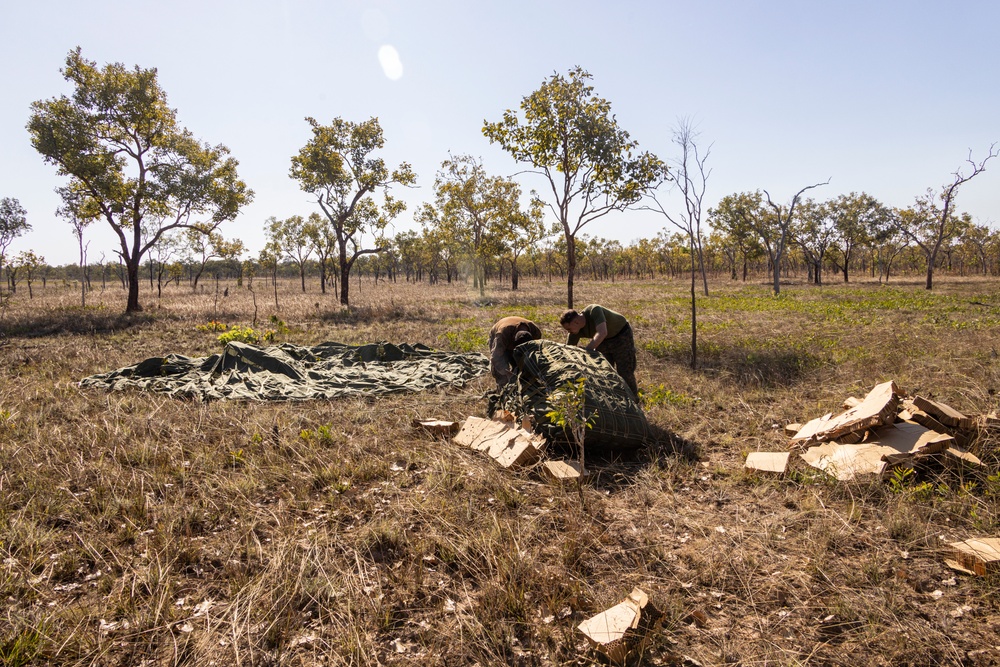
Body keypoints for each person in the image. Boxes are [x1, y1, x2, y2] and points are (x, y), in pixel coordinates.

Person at [560, 304, 638, 397]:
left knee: (625, 371)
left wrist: (587, 350)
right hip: (603, 341)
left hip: (621, 336)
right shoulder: (575, 332)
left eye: (568, 328)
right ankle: (613, 398)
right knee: (604, 372)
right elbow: (569, 351)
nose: (568, 332)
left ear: (576, 322)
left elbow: (602, 332)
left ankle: (633, 399)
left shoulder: (594, 310)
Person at [488, 316, 542, 389]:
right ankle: (502, 389)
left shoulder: (535, 332)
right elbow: (496, 357)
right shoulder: (502, 335)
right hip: (499, 334)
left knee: (522, 364)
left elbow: (537, 352)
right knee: (501, 372)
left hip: (512, 335)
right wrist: (507, 373)